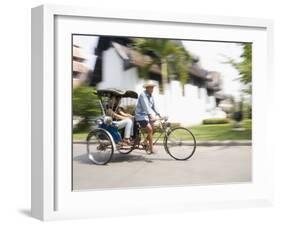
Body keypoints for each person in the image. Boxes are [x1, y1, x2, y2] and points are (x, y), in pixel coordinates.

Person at [135, 80, 160, 154]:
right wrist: (150, 115)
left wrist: (158, 114)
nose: (152, 89)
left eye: (153, 87)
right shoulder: (143, 95)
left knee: (154, 129)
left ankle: (145, 142)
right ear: (147, 88)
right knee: (150, 129)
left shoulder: (151, 96)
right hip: (140, 116)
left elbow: (154, 106)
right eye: (151, 88)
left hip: (146, 116)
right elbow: (146, 107)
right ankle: (151, 148)